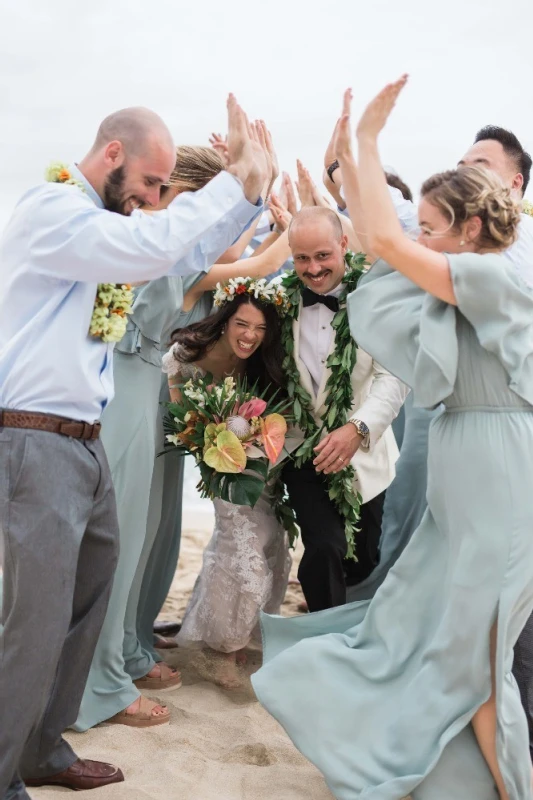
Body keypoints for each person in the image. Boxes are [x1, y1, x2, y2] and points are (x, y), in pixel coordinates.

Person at [253, 78, 533, 800]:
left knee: (474, 649)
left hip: (499, 468)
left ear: (468, 230)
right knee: (430, 630)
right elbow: (384, 238)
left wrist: (366, 146)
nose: (422, 239)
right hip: (461, 464)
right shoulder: (459, 279)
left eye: (433, 228)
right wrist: (355, 161)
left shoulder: (495, 279)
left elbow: (379, 239)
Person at [0, 96, 267, 798]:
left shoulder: (104, 229)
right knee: (35, 618)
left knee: (85, 607)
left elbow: (182, 252)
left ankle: (42, 749)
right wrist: (230, 179)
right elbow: (156, 244)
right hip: (33, 438)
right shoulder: (54, 212)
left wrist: (254, 192)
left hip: (83, 441)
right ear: (111, 154)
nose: (153, 199)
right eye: (150, 184)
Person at [73, 136, 291, 730]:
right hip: (128, 385)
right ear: (182, 196)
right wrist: (264, 192)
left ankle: (120, 654)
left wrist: (254, 196)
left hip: (139, 385)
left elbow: (231, 250)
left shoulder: (159, 252)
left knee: (138, 536)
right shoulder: (156, 253)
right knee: (121, 538)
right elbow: (256, 264)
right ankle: (103, 679)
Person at [163, 280, 292, 689]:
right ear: (225, 320)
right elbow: (180, 408)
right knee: (243, 553)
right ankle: (225, 650)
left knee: (270, 540)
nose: (250, 336)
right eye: (242, 324)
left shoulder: (265, 360)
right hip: (217, 465)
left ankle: (217, 633)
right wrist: (205, 437)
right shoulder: (193, 352)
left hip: (262, 469)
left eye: (259, 328)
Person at [279, 206, 407, 612]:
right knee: (324, 547)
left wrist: (358, 429)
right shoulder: (280, 304)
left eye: (322, 256)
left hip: (365, 455)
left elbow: (394, 376)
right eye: (302, 258)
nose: (313, 269)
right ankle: (324, 641)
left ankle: (354, 627)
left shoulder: (373, 298)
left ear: (343, 245)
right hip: (304, 451)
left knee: (364, 557)